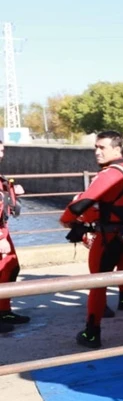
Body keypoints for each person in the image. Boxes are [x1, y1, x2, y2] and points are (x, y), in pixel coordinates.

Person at [60, 131, 123, 348]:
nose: (97, 152)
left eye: (102, 148)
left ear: (117, 150)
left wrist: (66, 219)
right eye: (96, 147)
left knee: (97, 284)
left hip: (109, 237)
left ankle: (92, 333)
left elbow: (83, 202)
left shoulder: (109, 174)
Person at [0, 142, 28, 332]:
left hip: (3, 230)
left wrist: (12, 192)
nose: (2, 153)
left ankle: (4, 310)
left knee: (10, 268)